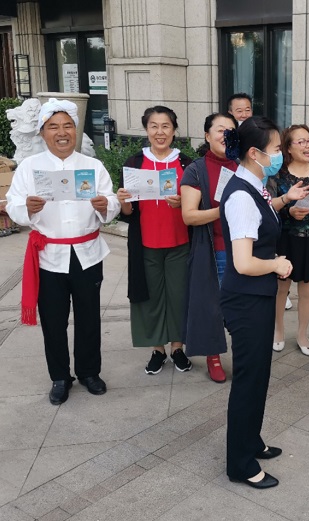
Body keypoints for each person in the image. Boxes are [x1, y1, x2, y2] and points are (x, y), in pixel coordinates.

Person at [6, 98, 120, 405]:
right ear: (42, 133)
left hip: (87, 253)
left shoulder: (92, 166)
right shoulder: (30, 167)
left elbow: (112, 201)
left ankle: (89, 372)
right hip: (48, 257)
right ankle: (59, 376)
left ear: (75, 130)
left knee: (89, 317)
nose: (61, 132)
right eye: (53, 127)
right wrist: (27, 208)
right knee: (53, 320)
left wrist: (105, 205)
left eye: (67, 126)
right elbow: (13, 204)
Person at [220, 116, 309, 489]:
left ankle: (251, 441)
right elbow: (243, 262)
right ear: (255, 154)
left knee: (259, 376)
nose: (280, 156)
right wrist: (276, 264)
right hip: (246, 300)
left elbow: (263, 213)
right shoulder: (241, 195)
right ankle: (240, 464)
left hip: (256, 296)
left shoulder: (253, 184)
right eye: (276, 150)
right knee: (249, 379)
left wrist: (285, 200)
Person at [117, 106, 193, 375]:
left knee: (179, 296)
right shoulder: (135, 163)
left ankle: (178, 348)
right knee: (150, 298)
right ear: (146, 129)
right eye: (154, 126)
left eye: (165, 126)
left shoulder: (186, 163)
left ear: (174, 130)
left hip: (180, 242)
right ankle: (158, 349)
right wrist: (123, 201)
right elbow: (128, 213)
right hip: (146, 243)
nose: (160, 132)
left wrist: (183, 202)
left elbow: (196, 203)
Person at [267, 124, 309, 356]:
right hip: (285, 240)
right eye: (301, 142)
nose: (308, 146)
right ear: (288, 147)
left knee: (307, 291)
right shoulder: (278, 174)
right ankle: (278, 331)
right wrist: (289, 211)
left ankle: (302, 334)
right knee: (281, 289)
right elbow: (268, 207)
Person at [180, 113, 238, 383]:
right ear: (207, 135)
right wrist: (223, 210)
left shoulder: (244, 165)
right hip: (216, 251)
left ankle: (243, 355)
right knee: (214, 308)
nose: (226, 135)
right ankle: (213, 357)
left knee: (241, 308)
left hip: (244, 249)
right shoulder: (196, 170)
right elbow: (189, 216)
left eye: (231, 130)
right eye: (220, 130)